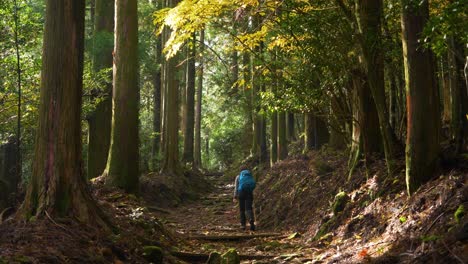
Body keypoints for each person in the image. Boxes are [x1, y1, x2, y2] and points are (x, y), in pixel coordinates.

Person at [233, 166, 256, 231]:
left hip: (241, 193)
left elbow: (236, 187)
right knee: (249, 208)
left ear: (240, 170)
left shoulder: (238, 176)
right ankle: (251, 221)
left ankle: (243, 225)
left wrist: (235, 196)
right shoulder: (250, 175)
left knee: (242, 209)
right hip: (249, 193)